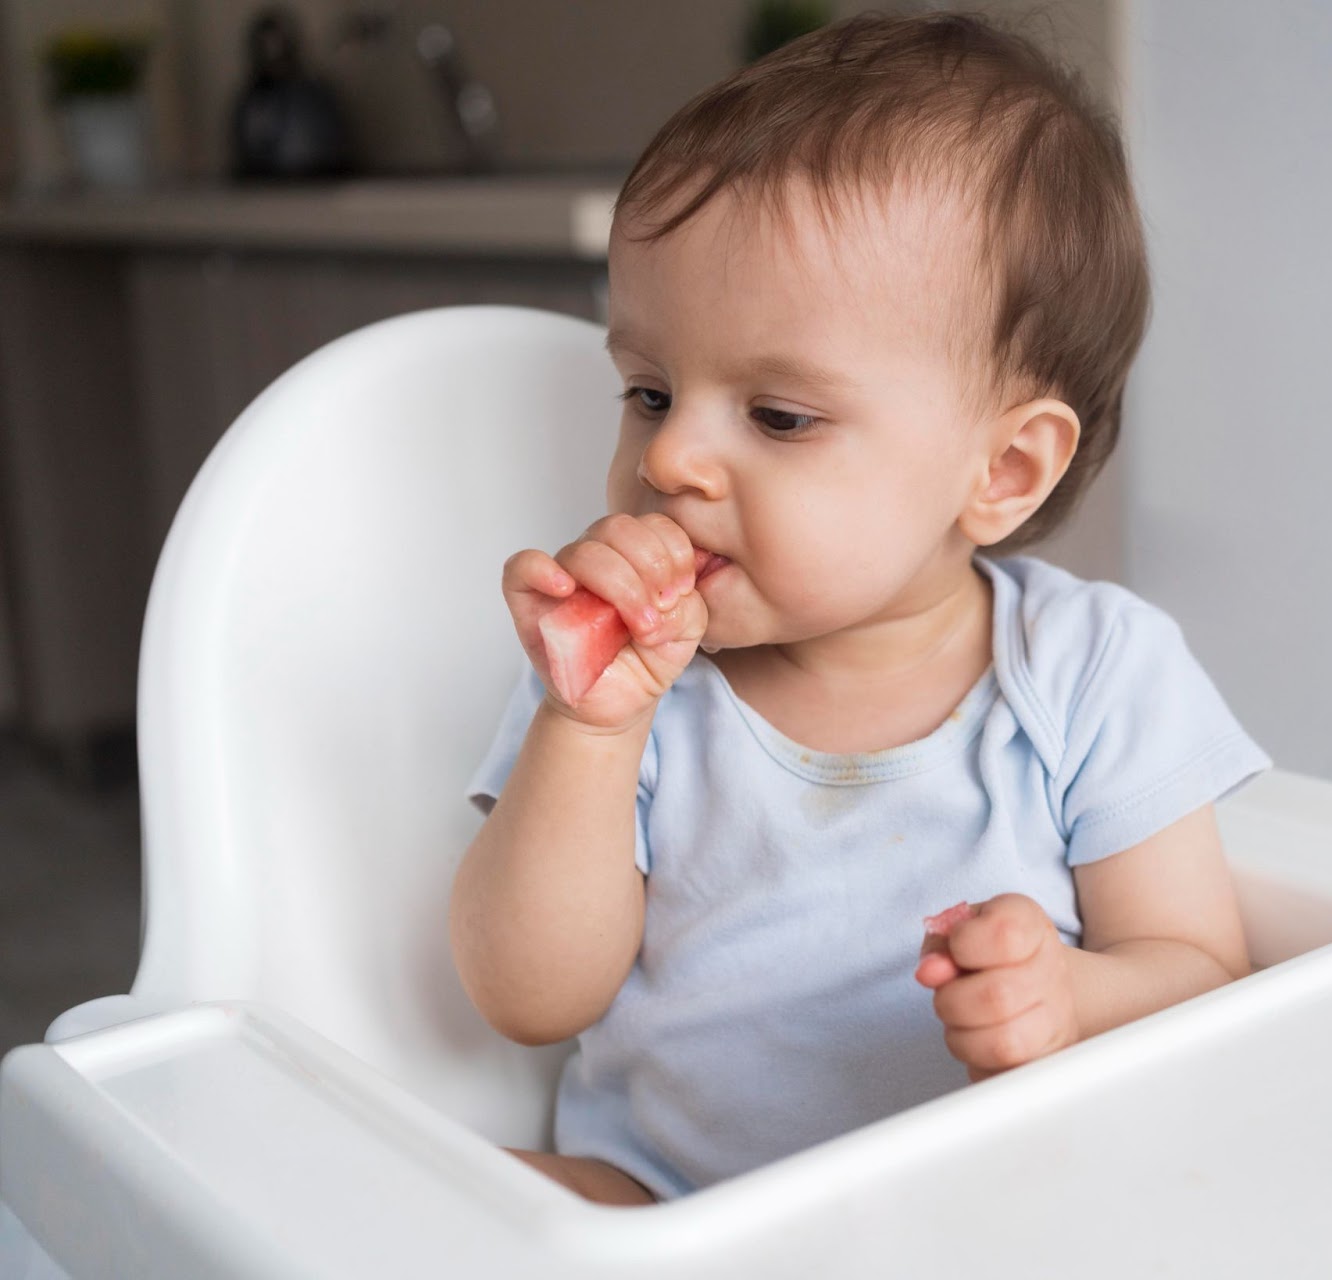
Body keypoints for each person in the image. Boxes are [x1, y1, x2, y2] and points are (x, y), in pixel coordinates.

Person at [449, 10, 1271, 1207]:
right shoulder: (625, 678)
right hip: (665, 1199)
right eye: (649, 388)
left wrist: (1071, 998)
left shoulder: (1095, 670)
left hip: (983, 1214)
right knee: (400, 1211)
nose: (672, 454)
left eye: (778, 416)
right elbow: (526, 999)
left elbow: (1204, 971)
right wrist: (588, 732)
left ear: (1001, 472)